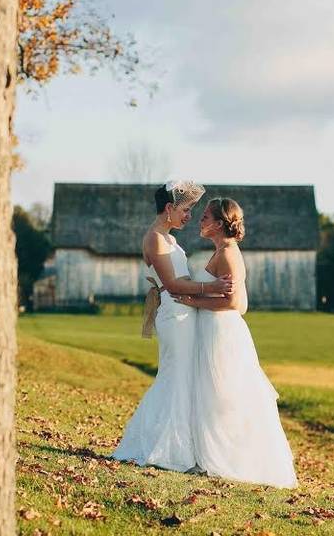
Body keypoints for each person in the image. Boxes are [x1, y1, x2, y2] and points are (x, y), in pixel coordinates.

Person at [175, 197, 297, 488]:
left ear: (219, 223)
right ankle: (207, 456)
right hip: (214, 328)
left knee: (220, 394)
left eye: (205, 217)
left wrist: (191, 299)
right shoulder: (223, 251)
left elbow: (236, 302)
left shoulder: (228, 254)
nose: (200, 220)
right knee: (212, 392)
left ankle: (221, 460)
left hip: (221, 332)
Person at [112, 181, 233, 472]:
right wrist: (212, 286)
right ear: (169, 209)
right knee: (174, 378)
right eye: (186, 209)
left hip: (184, 312)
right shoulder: (155, 238)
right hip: (174, 315)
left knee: (181, 378)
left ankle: (177, 449)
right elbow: (172, 284)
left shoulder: (170, 239)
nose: (190, 216)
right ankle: (168, 453)